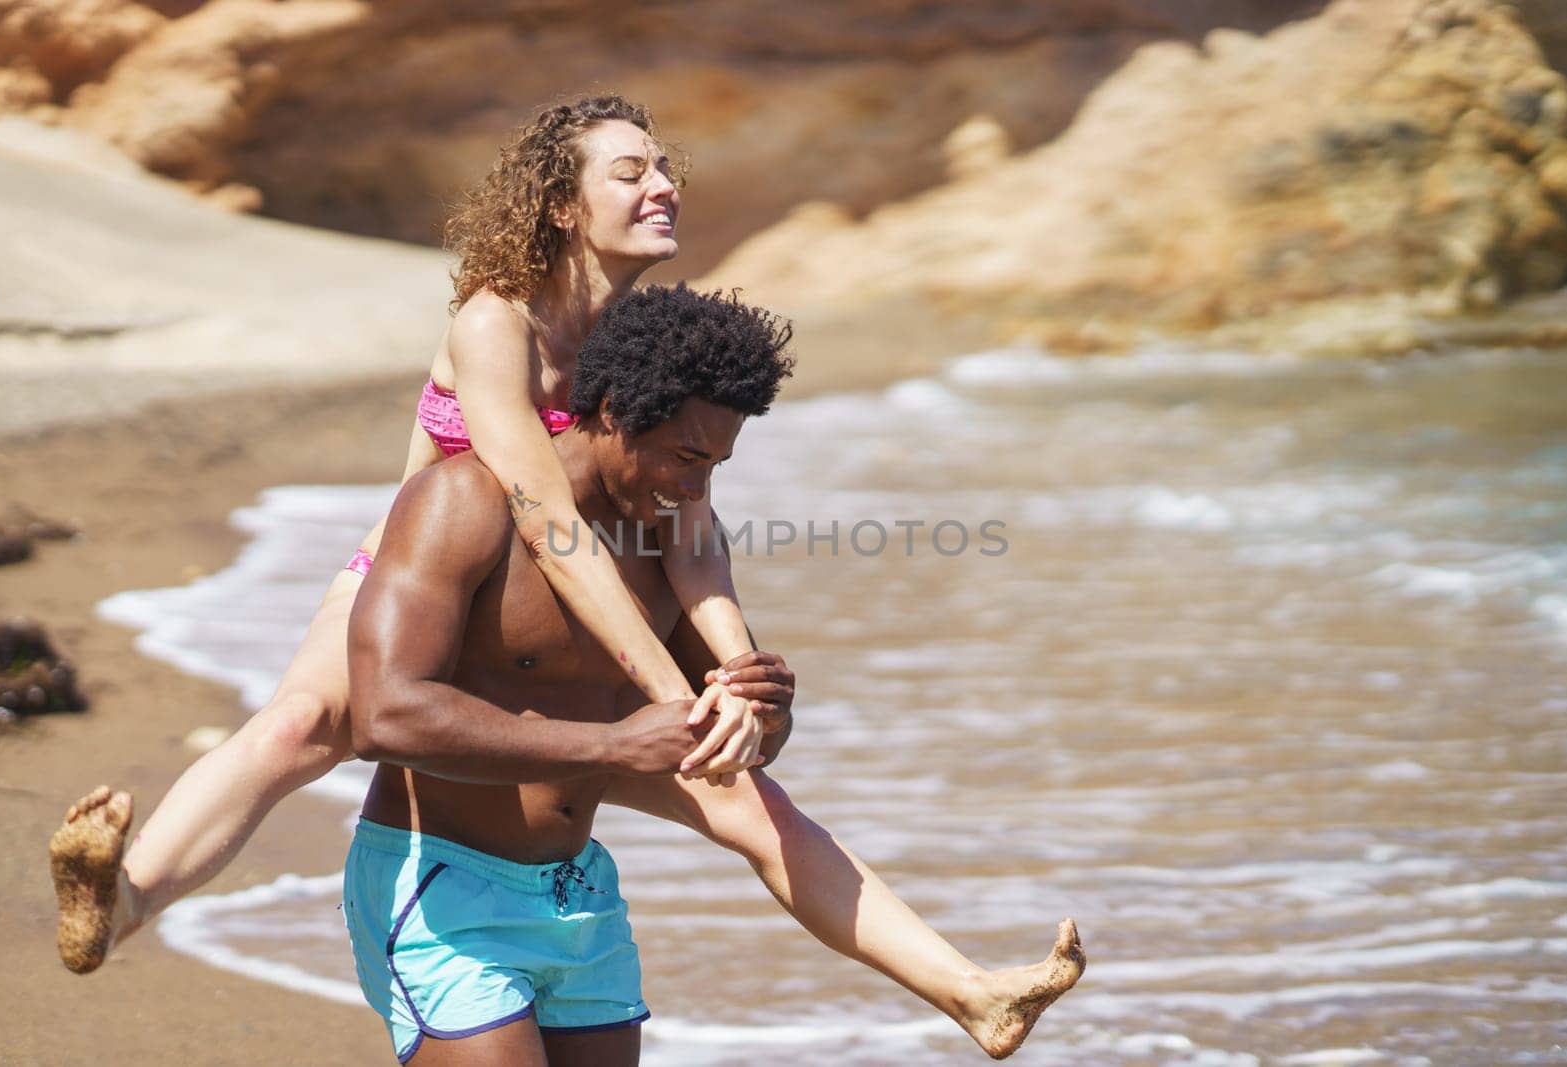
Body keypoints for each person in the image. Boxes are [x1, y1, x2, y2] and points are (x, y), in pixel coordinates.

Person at [50, 96, 1080, 1059]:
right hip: (431, 563)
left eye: (666, 167)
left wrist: (736, 674)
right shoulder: (498, 319)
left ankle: (966, 989)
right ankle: (127, 898)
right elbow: (546, 518)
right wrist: (672, 701)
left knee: (751, 801)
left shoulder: (643, 344)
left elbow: (692, 533)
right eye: (629, 172)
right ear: (560, 205)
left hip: (577, 577)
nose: (662, 185)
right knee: (300, 725)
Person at [343, 284, 1083, 1065]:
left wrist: (767, 712)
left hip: (575, 894)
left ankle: (966, 991)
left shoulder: (669, 538)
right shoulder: (462, 503)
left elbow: (731, 741)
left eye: (715, 464)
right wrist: (611, 746)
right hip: (444, 890)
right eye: (686, 456)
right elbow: (384, 716)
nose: (696, 489)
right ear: (614, 407)